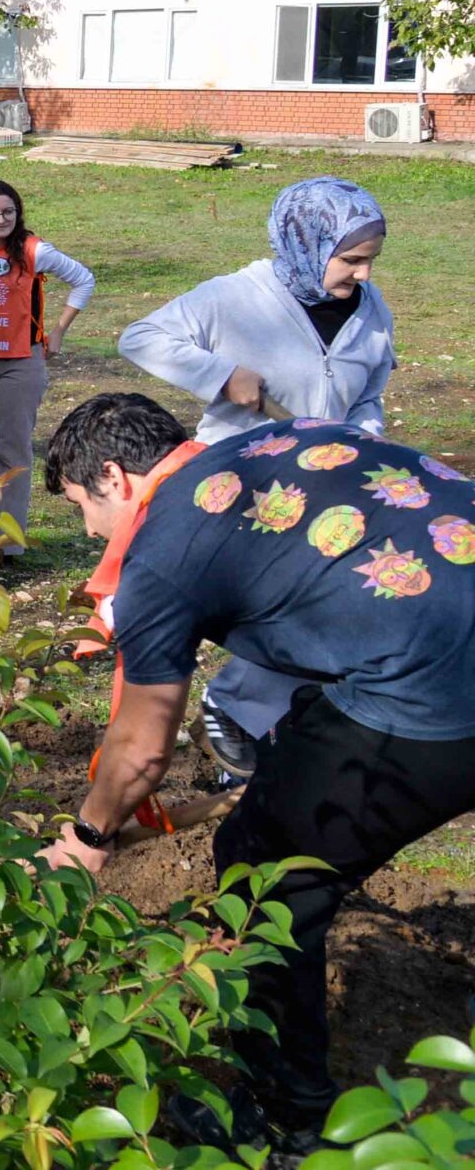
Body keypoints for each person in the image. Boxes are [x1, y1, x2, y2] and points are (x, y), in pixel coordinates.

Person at [36, 393, 475, 1156]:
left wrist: (87, 835)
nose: (89, 531)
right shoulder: (276, 442)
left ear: (112, 476)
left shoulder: (163, 549)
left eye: (81, 506)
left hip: (438, 681)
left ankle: (285, 1118)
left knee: (265, 867)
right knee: (305, 743)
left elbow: (142, 745)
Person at [117, 176, 392, 777]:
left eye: (370, 260)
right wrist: (221, 375)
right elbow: (140, 337)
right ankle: (231, 708)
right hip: (239, 484)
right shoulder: (236, 298)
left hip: (326, 487)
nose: (363, 274)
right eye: (351, 260)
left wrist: (363, 439)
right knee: (292, 601)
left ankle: (251, 723)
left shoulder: (370, 312)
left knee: (336, 602)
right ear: (307, 244)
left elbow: (369, 393)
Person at [0, 179, 96, 556]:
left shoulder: (34, 250)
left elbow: (84, 280)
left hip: (21, 363)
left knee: (14, 451)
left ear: (18, 212)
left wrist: (58, 331)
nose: (0, 219)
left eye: (8, 211)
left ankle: (3, 545)